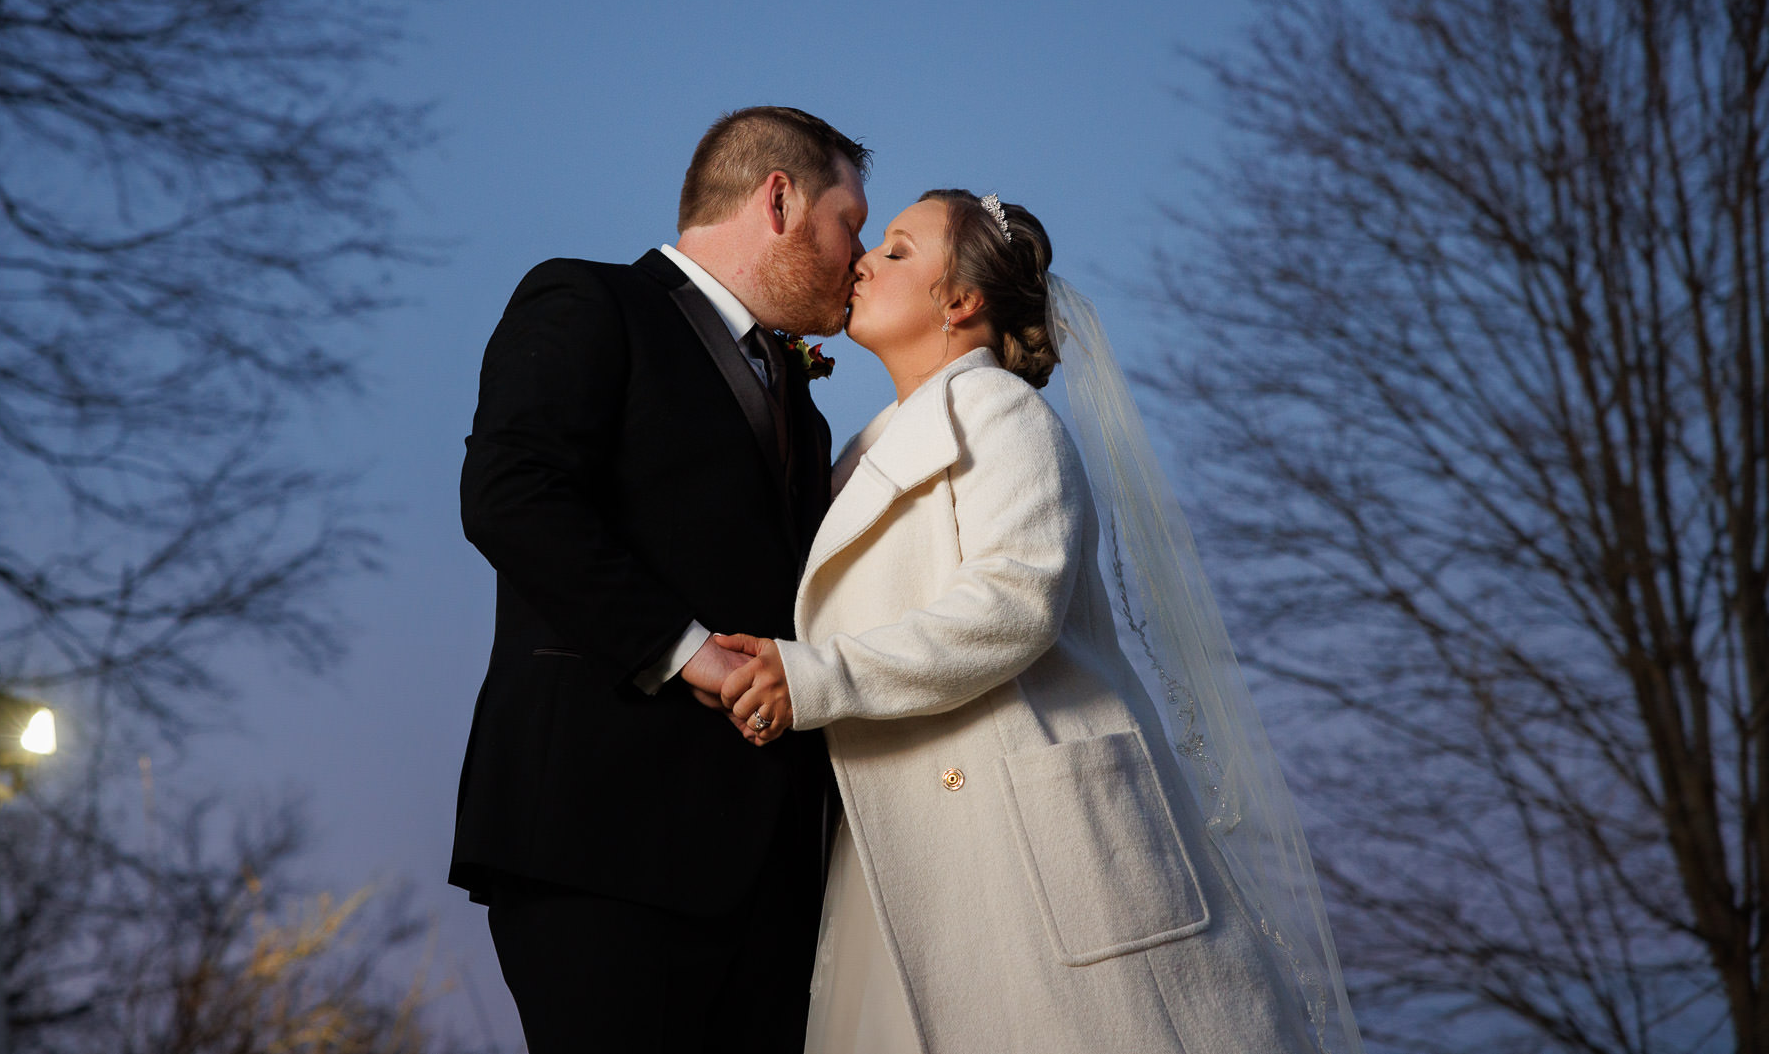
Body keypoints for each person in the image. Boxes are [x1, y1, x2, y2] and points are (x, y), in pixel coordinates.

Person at [717, 190, 1362, 1053]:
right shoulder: (866, 451)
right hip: (911, 848)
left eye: (899, 250)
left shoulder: (1005, 415)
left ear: (961, 301)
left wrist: (814, 678)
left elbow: (1014, 604)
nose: (864, 259)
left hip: (1028, 852)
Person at [451, 107, 868, 1054]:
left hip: (772, 870)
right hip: (599, 836)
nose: (860, 253)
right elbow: (512, 495)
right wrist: (685, 652)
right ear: (778, 199)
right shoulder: (588, 302)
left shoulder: (798, 403)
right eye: (849, 220)